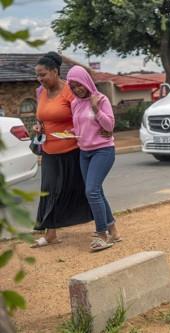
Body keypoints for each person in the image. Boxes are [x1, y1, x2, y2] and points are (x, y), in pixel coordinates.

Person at [31, 52, 93, 247]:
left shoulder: (70, 90)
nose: (40, 79)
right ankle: (50, 234)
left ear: (55, 72)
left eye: (43, 74)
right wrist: (38, 126)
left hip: (73, 149)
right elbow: (41, 116)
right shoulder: (40, 91)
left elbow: (85, 116)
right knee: (49, 190)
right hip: (49, 148)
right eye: (38, 75)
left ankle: (106, 226)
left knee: (87, 189)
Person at [67, 65, 120, 252]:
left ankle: (101, 234)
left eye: (78, 85)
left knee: (92, 191)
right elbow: (83, 126)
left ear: (86, 82)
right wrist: (71, 132)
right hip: (85, 152)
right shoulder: (74, 103)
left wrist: (96, 109)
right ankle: (113, 230)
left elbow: (109, 125)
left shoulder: (101, 99)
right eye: (72, 86)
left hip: (103, 151)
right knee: (97, 191)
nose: (76, 89)